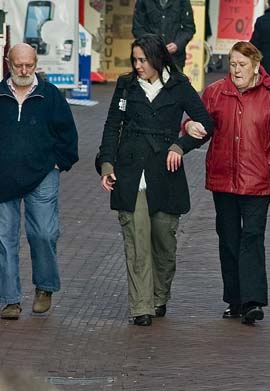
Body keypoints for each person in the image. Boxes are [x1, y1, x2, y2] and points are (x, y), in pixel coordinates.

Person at [97, 35, 214, 326]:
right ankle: (141, 306)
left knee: (164, 244)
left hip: (165, 173)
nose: (138, 66)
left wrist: (180, 145)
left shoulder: (179, 85)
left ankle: (159, 296)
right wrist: (106, 163)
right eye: (134, 60)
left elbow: (207, 125)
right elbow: (113, 125)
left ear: (157, 58)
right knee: (136, 243)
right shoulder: (126, 86)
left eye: (143, 60)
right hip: (130, 170)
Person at [186, 41, 270, 325]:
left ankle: (252, 302)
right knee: (228, 239)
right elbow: (198, 125)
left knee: (251, 237)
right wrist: (188, 127)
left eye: (242, 65)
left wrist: (269, 166)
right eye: (233, 64)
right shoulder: (215, 92)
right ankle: (234, 300)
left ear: (256, 66)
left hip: (258, 181)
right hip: (223, 179)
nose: (236, 70)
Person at [0, 43, 79, 320]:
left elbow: (68, 134)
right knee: (5, 239)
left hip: (42, 175)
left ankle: (45, 286)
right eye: (18, 65)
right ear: (8, 63)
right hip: (2, 176)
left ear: (36, 62)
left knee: (44, 233)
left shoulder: (49, 95)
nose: (25, 70)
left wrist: (59, 162)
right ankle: (10, 299)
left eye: (29, 65)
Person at [132, 0, 195, 71]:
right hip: (150, 57)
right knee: (151, 87)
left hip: (175, 57)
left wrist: (177, 44)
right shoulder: (143, 0)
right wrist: (151, 46)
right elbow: (137, 29)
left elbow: (188, 28)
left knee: (174, 86)